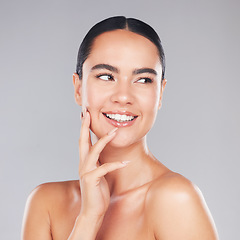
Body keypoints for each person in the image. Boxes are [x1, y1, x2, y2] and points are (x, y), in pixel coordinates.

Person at [21, 16, 219, 240]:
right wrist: (89, 217)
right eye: (106, 76)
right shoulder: (45, 203)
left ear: (160, 93)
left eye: (143, 80)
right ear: (78, 88)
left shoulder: (175, 199)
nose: (123, 97)